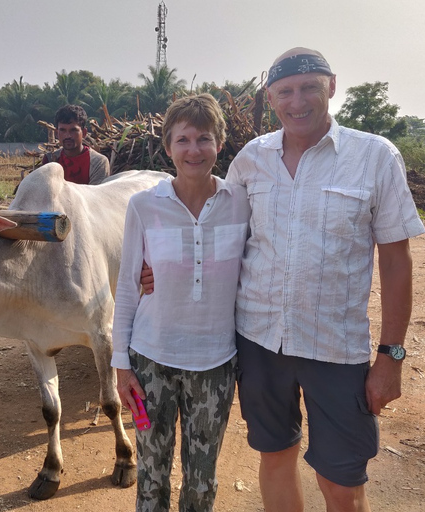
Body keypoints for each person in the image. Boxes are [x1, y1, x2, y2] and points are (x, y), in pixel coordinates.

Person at [141, 48, 425, 511]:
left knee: (341, 481)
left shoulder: (374, 157)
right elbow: (214, 228)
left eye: (310, 87)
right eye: (286, 91)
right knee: (275, 457)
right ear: (270, 98)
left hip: (335, 348)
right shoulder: (253, 159)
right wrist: (160, 266)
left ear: (331, 86)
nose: (299, 101)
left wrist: (391, 356)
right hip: (259, 342)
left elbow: (396, 260)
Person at [112, 94, 250, 511]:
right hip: (151, 361)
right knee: (151, 477)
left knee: (201, 481)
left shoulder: (241, 203)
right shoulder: (143, 206)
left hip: (216, 364)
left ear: (219, 143)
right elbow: (126, 287)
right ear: (168, 147)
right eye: (183, 139)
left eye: (204, 139)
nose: (194, 150)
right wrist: (121, 365)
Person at [41, 104, 110, 184]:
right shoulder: (50, 160)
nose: (68, 135)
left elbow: (94, 195)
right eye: (63, 130)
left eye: (73, 130)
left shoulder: (98, 162)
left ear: (84, 133)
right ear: (57, 133)